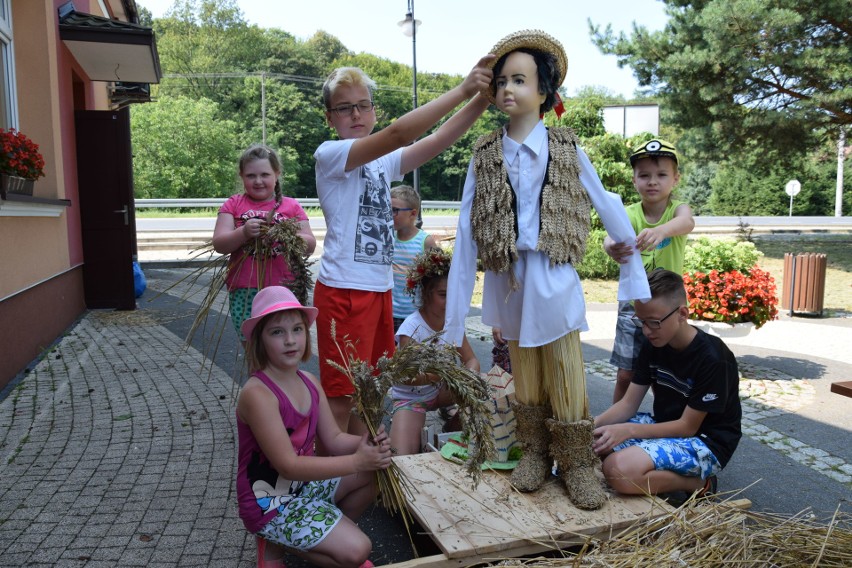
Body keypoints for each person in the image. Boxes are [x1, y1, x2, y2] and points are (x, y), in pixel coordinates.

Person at [444, 30, 650, 510]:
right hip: (507, 279)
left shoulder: (565, 146)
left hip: (553, 273)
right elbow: (467, 225)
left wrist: (629, 262)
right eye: (501, 81)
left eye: (520, 79)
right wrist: (457, 316)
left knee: (564, 366)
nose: (508, 89)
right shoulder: (484, 153)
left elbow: (607, 200)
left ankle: (578, 462)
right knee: (523, 366)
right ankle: (535, 450)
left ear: (545, 92)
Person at [313, 57, 494, 438]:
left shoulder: (381, 163)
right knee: (342, 394)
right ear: (330, 117)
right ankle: (325, 480)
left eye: (363, 105)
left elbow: (437, 141)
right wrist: (462, 89)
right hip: (345, 291)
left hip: (378, 292)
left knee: (372, 390)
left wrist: (481, 99)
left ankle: (362, 475)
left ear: (373, 111)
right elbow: (399, 134)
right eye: (344, 108)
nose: (356, 114)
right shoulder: (331, 154)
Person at [236, 286, 393, 568]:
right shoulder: (258, 394)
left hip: (304, 489)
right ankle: (278, 541)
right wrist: (357, 460)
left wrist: (364, 443)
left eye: (297, 329)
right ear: (259, 339)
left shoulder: (309, 381)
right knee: (359, 550)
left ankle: (326, 532)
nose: (290, 341)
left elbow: (332, 438)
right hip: (269, 504)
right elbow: (289, 466)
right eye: (277, 332)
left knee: (376, 472)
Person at [592, 269, 742, 500]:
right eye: (641, 322)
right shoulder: (653, 343)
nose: (646, 331)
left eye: (653, 322)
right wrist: (586, 426)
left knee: (617, 471)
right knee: (597, 442)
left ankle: (699, 482)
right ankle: (655, 472)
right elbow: (628, 405)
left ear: (682, 313)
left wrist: (627, 430)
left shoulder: (714, 358)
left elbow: (687, 427)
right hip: (666, 427)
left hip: (705, 443)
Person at [604, 139, 695, 402]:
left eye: (661, 175)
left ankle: (667, 423)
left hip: (668, 308)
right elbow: (610, 237)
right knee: (625, 374)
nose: (652, 181)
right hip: (633, 304)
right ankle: (616, 425)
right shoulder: (629, 213)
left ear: (675, 179)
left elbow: (686, 222)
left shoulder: (677, 210)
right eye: (644, 175)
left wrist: (660, 231)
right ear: (634, 181)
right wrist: (611, 247)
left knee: (667, 374)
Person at [212, 144, 316, 341]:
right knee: (253, 348)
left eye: (265, 175)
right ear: (241, 176)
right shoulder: (233, 204)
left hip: (286, 288)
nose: (258, 181)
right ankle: (256, 374)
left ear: (277, 174)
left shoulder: (291, 206)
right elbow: (219, 244)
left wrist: (286, 236)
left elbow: (310, 245)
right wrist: (243, 232)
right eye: (251, 176)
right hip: (245, 289)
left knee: (284, 346)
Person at [390, 248, 480, 455]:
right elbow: (406, 377)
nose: (450, 303)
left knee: (481, 388)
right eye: (443, 295)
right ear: (425, 293)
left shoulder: (453, 323)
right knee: (402, 458)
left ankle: (453, 424)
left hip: (441, 393)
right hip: (412, 398)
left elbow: (472, 360)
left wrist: (468, 376)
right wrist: (440, 374)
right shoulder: (412, 328)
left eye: (455, 296)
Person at [391, 184, 438, 333]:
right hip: (387, 312)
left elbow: (437, 279)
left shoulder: (425, 242)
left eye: (395, 210)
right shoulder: (387, 237)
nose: (389, 214)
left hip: (413, 315)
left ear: (413, 213)